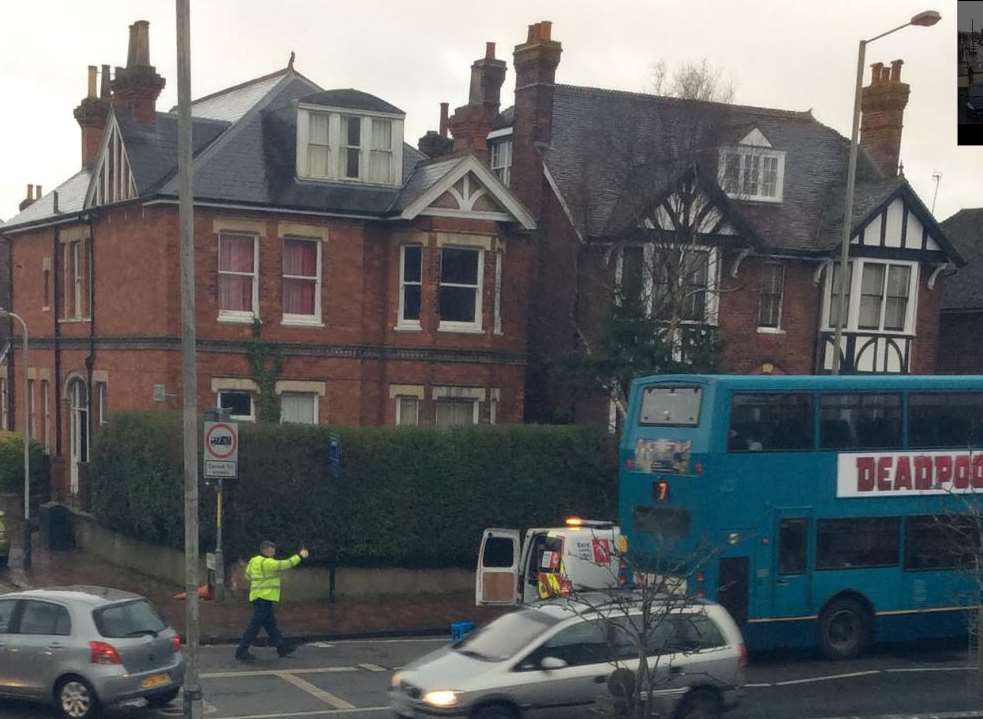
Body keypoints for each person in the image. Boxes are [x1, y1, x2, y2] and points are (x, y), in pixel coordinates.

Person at [235, 540, 309, 661]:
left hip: (257, 596)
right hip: (265, 597)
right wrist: (300, 556)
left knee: (270, 625)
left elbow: (247, 576)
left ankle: (281, 647)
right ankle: (241, 650)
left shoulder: (254, 560)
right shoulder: (267, 562)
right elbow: (286, 564)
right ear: (265, 550)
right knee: (254, 626)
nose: (273, 551)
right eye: (271, 549)